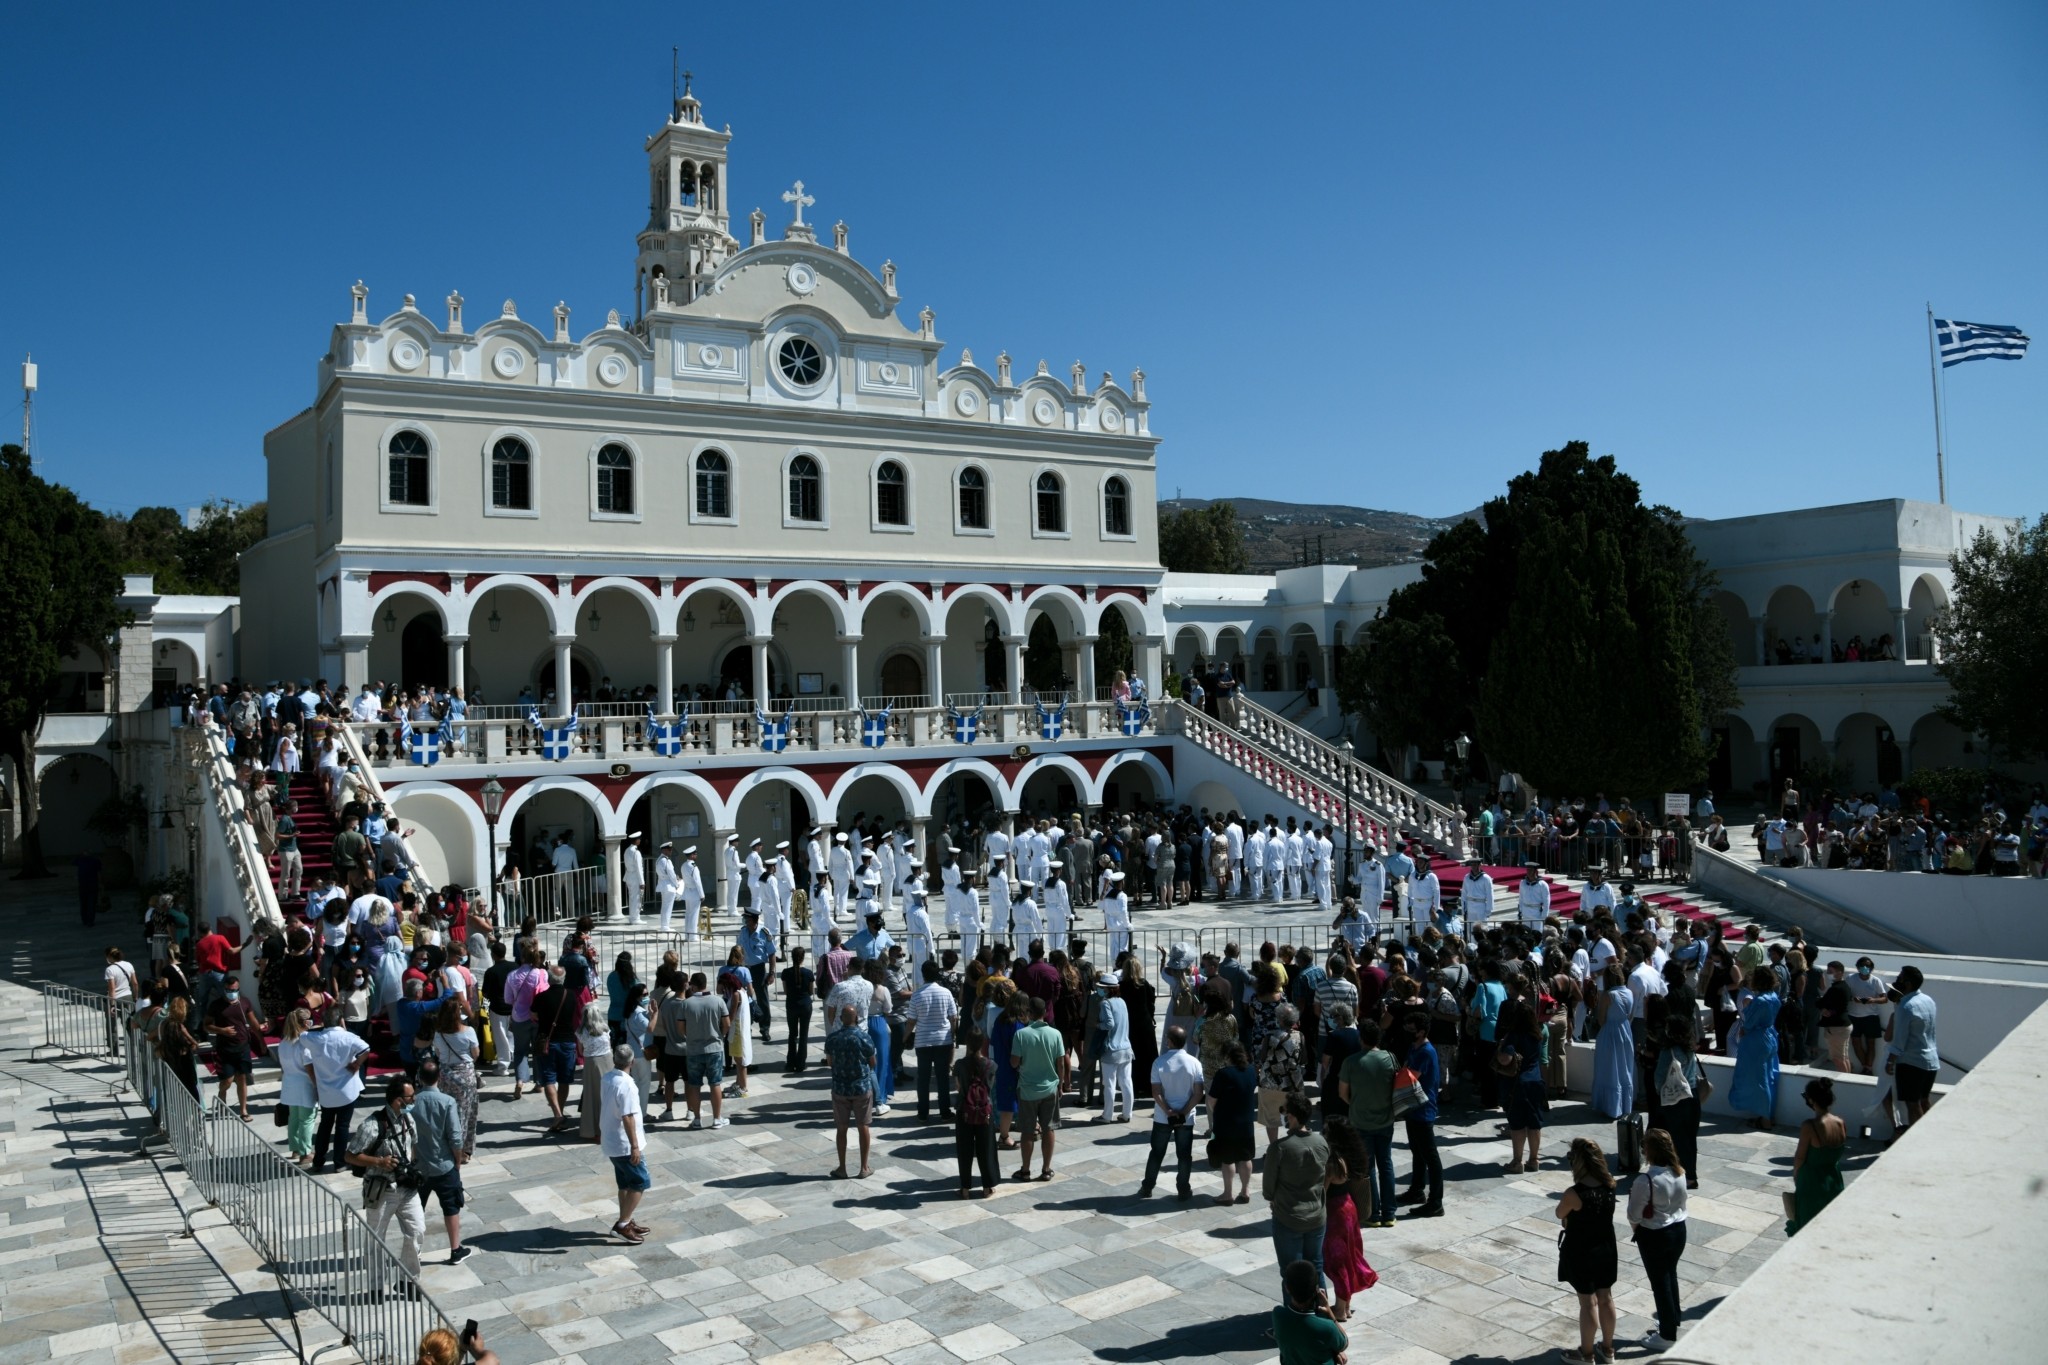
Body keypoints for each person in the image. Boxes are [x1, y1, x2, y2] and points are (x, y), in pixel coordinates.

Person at [348, 1074, 427, 1278]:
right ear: (398, 1100)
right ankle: (376, 1286)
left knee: (417, 1231)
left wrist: (408, 1168)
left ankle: (408, 1280)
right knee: (376, 1237)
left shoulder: (408, 1119)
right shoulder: (371, 1125)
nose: (414, 1100)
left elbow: (413, 1146)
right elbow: (350, 1155)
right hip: (381, 1190)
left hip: (407, 1189)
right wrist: (379, 1162)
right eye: (411, 1097)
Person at [1554, 1136, 1619, 1365]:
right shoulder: (1611, 1184)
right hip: (1607, 1248)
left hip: (1582, 1250)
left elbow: (1560, 1214)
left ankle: (1587, 1353)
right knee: (1606, 1297)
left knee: (1587, 1303)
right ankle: (1609, 1349)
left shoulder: (1574, 1193)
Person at [1627, 1127, 1689, 1353]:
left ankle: (1667, 1335)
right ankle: (1671, 1320)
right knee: (1670, 1276)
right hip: (1678, 1230)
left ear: (1649, 1151)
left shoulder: (1646, 1180)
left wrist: (1639, 1230)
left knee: (1660, 1283)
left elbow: (1633, 1214)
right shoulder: (1679, 1172)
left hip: (1655, 1235)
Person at [1263, 1093, 1331, 1290]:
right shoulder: (1321, 1142)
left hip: (1288, 1217)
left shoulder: (1280, 1148)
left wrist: (1272, 1198)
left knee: (1290, 1271)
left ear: (1291, 1116)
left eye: (1284, 1111)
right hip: (1317, 1215)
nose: (1283, 1115)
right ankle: (1321, 1310)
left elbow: (1268, 1187)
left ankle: (1294, 1315)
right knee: (1316, 1267)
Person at [1337, 1020, 1397, 1228]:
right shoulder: (1390, 1058)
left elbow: (1342, 1093)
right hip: (1386, 1120)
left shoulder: (1351, 1062)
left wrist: (1355, 1103)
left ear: (1361, 1038)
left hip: (1361, 1121)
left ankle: (1373, 1213)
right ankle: (1390, 1213)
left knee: (1367, 1167)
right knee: (1386, 1164)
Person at [409, 1057, 469, 1265]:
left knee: (416, 1211)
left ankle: (414, 1251)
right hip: (444, 1166)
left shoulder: (412, 1102)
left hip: (419, 1168)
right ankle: (455, 1250)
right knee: (451, 1207)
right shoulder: (447, 1102)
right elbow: (455, 1136)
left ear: (419, 1077)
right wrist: (458, 1161)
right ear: (439, 1077)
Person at [1320, 1116, 1378, 1321]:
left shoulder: (1332, 1159)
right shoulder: (1353, 1155)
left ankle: (1340, 1309)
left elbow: (1323, 1193)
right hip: (1349, 1208)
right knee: (1350, 1256)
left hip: (1335, 1213)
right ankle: (1345, 1306)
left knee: (1337, 1262)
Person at [1140, 1024, 1205, 1200]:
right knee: (1184, 1156)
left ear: (1169, 1041)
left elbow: (1156, 1092)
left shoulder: (1159, 1062)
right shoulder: (1195, 1063)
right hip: (1186, 1117)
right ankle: (1183, 1189)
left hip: (1162, 1116)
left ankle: (1147, 1187)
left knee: (1156, 1153)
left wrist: (1168, 1110)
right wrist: (1183, 1111)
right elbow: (1198, 1093)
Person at [303, 1004, 371, 1173]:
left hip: (326, 1092)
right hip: (347, 1091)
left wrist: (318, 1027)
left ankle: (318, 1160)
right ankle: (339, 1163)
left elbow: (302, 1035)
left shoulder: (315, 1038)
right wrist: (357, 1063)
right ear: (341, 1020)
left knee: (325, 1126)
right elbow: (366, 1048)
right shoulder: (349, 1037)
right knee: (342, 1126)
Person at [1010, 995, 1066, 1182]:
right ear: (1045, 1013)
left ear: (1029, 1013)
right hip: (1050, 1088)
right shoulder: (1055, 1034)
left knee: (1027, 1131)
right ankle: (1046, 1169)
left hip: (1027, 1089)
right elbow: (1061, 1063)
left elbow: (1014, 1062)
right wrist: (1061, 1083)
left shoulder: (1021, 1034)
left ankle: (1025, 1170)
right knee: (1049, 1129)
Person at [600, 1041, 651, 1244]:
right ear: (632, 1062)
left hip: (611, 1140)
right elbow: (627, 1116)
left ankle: (627, 1219)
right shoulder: (627, 1085)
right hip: (623, 1144)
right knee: (640, 1182)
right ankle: (622, 1224)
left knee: (625, 1183)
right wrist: (635, 1146)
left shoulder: (608, 1077)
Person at [1786, 1076, 1847, 1235]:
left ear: (1812, 1100)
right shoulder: (1840, 1122)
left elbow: (1800, 1157)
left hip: (1812, 1183)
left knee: (1807, 1228)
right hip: (1834, 1180)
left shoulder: (1809, 1126)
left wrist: (1795, 1174)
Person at [1648, 1014, 1703, 1187]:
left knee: (1675, 1139)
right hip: (1692, 1097)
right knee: (1689, 1138)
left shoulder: (1669, 1051)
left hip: (1674, 1100)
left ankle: (1680, 1174)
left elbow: (1659, 1078)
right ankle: (1690, 1174)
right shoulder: (1690, 1049)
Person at [1886, 965, 1940, 1137]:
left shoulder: (1905, 1006)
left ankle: (1917, 1139)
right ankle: (1931, 1134)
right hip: (1931, 1060)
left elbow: (1900, 1039)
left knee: (1913, 1103)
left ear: (1907, 983)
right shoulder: (1928, 1000)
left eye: (1900, 977)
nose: (1897, 980)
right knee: (1924, 1100)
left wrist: (1890, 1060)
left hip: (1911, 1062)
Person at [1495, 998, 1548, 1173]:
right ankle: (1534, 1160)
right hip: (1536, 1082)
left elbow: (1505, 1059)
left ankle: (1517, 1162)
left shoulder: (1513, 1036)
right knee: (1534, 1123)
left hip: (1517, 1084)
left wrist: (1501, 1047)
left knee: (1517, 1124)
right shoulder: (1537, 1035)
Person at [205, 973, 267, 1120]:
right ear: (224, 989)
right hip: (224, 1048)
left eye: (235, 990)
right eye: (229, 990)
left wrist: (262, 1042)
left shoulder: (245, 1002)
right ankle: (222, 1094)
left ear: (238, 988)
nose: (232, 993)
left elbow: (253, 1023)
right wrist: (222, 1030)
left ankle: (243, 1110)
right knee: (227, 1080)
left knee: (242, 1078)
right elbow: (206, 1025)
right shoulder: (216, 1005)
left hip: (243, 1047)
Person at [825, 1004, 877, 1179]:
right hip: (861, 1088)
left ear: (841, 1019)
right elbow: (872, 1062)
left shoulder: (832, 1038)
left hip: (840, 1088)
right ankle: (864, 1167)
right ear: (856, 1018)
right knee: (863, 1127)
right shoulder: (864, 1037)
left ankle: (842, 1168)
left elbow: (830, 1062)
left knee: (842, 1129)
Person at [1206, 1039, 1257, 1204]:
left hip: (1226, 1123)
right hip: (1246, 1122)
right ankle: (1245, 1190)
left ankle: (1228, 1194)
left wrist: (1217, 1115)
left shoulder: (1223, 1073)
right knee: (1245, 1157)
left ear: (1227, 1056)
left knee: (1227, 1159)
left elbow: (1211, 1100)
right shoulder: (1251, 1071)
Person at [1272, 1258, 1349, 1365]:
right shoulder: (1327, 1327)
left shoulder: (1278, 1314)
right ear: (1316, 1290)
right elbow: (1344, 1343)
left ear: (1287, 1288)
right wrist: (1329, 1313)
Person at [679, 973, 731, 1129]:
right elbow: (727, 1024)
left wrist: (690, 1036)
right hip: (714, 1048)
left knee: (694, 1085)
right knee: (715, 1084)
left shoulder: (686, 1004)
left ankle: (696, 1119)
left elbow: (680, 1028)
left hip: (694, 1050)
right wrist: (720, 1035)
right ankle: (716, 1119)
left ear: (693, 985)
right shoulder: (718, 1001)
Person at [1731, 967, 1781, 1130]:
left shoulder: (1760, 1000)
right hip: (1769, 1036)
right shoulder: (1773, 996)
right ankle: (1767, 1115)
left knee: (1760, 1080)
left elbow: (1749, 1023)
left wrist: (1744, 1029)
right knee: (1768, 1077)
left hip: (1756, 1040)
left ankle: (1765, 1119)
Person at [952, 1028, 999, 1198]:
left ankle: (965, 1188)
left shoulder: (959, 1065)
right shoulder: (991, 1065)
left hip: (964, 1110)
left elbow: (958, 1087)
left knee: (964, 1150)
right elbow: (990, 1088)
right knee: (986, 1149)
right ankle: (987, 1187)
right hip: (985, 1111)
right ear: (982, 1043)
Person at [912, 959, 960, 1122]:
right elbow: (953, 1017)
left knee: (923, 1078)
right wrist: (952, 1035)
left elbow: (912, 1020)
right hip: (943, 1040)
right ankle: (944, 1110)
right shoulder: (946, 993)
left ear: (922, 974)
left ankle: (923, 1111)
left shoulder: (916, 995)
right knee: (942, 1078)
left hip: (923, 1041)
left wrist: (906, 1037)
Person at [1590, 963, 1636, 1121]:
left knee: (1609, 1070)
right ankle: (1624, 1105)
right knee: (1624, 1069)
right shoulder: (1629, 992)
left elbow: (1601, 1019)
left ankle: (1610, 1106)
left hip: (1610, 1033)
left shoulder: (1608, 995)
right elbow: (1630, 1015)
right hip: (1625, 1031)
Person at [275, 1007, 319, 1166]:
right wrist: (317, 1087)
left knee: (293, 1118)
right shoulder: (304, 1044)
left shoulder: (283, 1042)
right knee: (307, 1120)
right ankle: (305, 1152)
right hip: (304, 1086)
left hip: (289, 1085)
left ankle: (295, 1148)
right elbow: (310, 1069)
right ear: (305, 1023)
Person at [1095, 972, 1136, 1124]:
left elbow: (1109, 1024)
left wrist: (1098, 1025)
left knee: (1109, 1084)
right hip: (1126, 1048)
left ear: (1107, 989)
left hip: (1111, 1049)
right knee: (1126, 1082)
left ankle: (1107, 1115)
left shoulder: (1106, 1003)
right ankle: (1127, 1113)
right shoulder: (1122, 1001)